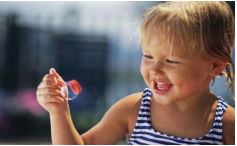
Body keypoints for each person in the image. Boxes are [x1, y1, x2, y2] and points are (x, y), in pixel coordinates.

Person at [36, 1, 235, 145]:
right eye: (148, 56)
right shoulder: (134, 109)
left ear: (215, 66)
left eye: (171, 61)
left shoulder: (228, 124)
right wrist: (59, 111)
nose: (154, 70)